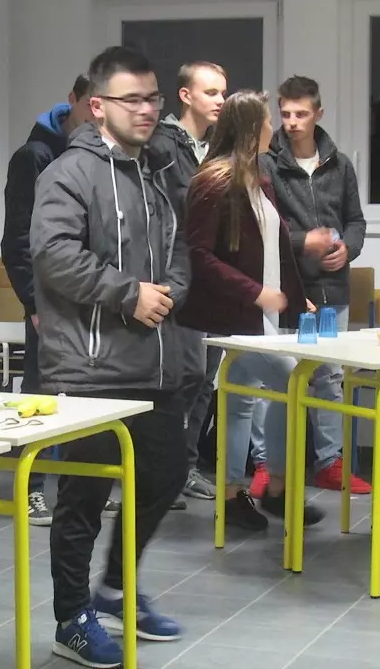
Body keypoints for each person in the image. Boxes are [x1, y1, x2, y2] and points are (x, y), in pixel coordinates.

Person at [32, 46, 188, 668]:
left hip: (155, 360)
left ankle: (117, 589)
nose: (147, 110)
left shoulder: (160, 171)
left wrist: (171, 290)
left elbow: (180, 247)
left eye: (153, 98)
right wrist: (129, 295)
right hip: (90, 365)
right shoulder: (67, 173)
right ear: (98, 106)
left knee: (167, 472)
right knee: (84, 497)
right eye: (133, 99)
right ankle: (72, 617)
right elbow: (54, 255)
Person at [180, 89, 325, 533]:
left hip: (258, 316)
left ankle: (231, 495)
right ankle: (276, 487)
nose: (272, 127)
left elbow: (274, 249)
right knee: (292, 380)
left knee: (241, 399)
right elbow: (199, 255)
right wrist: (255, 293)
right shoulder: (213, 181)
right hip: (233, 315)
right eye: (266, 120)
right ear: (249, 127)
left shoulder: (257, 177)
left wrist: (295, 299)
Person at [259, 76, 371, 497]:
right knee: (278, 377)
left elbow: (356, 221)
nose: (292, 122)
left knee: (330, 377)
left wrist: (349, 249)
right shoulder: (267, 164)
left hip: (333, 288)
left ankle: (329, 463)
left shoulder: (339, 165)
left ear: (318, 114)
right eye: (285, 113)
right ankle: (268, 465)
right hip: (288, 287)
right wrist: (303, 241)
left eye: (301, 113)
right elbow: (264, 229)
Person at [1, 74, 94, 526]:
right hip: (49, 300)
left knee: (88, 396)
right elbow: (17, 240)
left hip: (92, 296)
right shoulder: (34, 156)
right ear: (73, 100)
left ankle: (82, 487)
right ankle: (31, 488)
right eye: (91, 103)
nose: (98, 114)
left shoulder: (99, 155)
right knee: (39, 392)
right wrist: (34, 305)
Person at [155, 62, 227, 503]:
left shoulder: (217, 146)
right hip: (178, 280)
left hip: (214, 279)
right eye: (211, 92)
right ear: (186, 96)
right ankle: (161, 472)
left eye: (223, 93)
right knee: (181, 378)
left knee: (205, 380)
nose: (220, 100)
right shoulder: (163, 145)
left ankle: (185, 468)